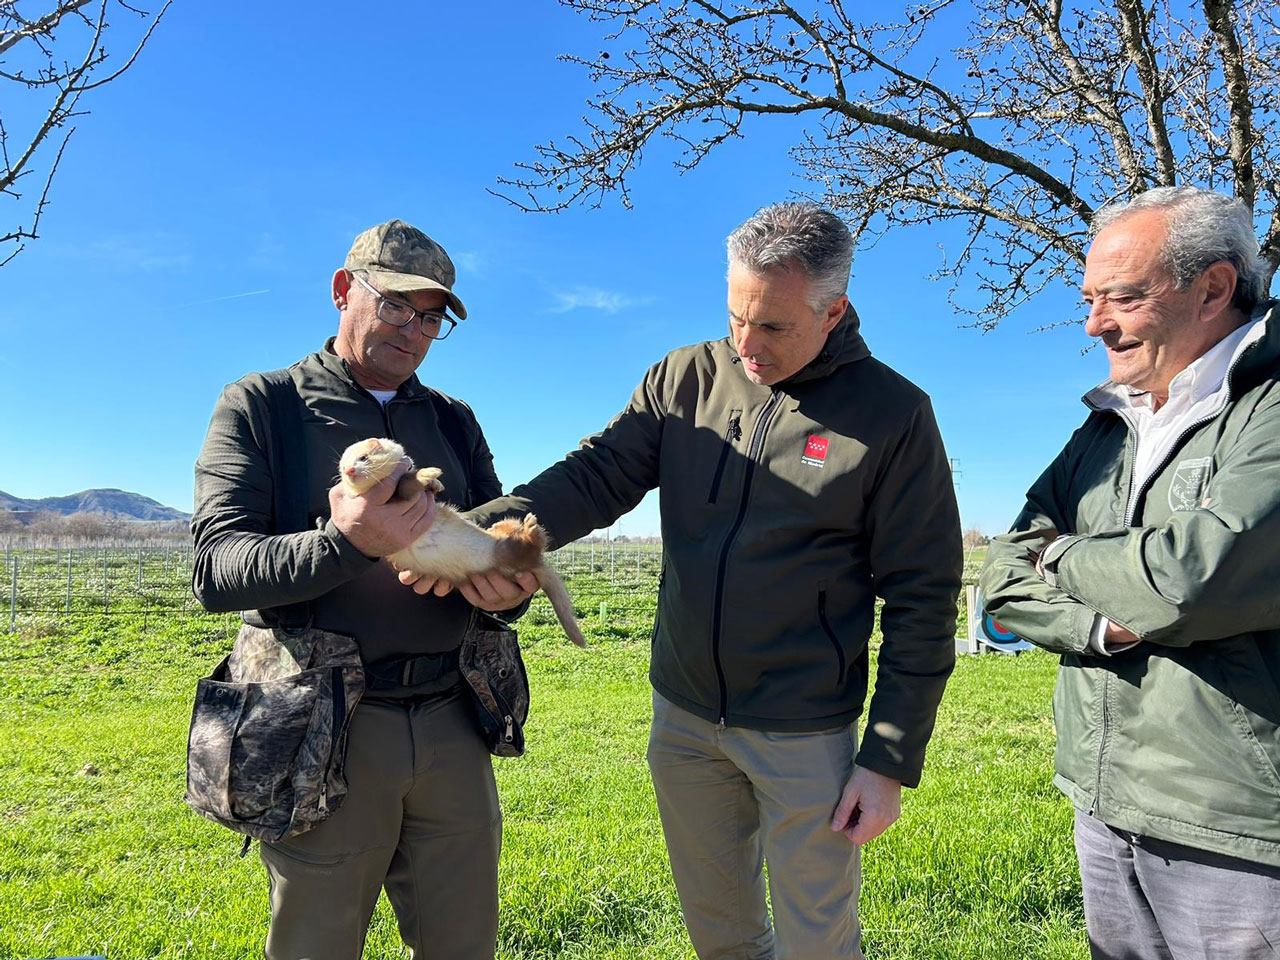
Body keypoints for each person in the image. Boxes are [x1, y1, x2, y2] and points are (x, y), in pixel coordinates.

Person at [414, 202, 962, 959]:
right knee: (720, 937)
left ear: (833, 311)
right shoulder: (685, 378)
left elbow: (924, 595)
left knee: (818, 943)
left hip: (805, 730)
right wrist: (469, 537)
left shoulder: (895, 415)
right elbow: (595, 476)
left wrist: (890, 757)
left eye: (772, 326)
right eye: (735, 317)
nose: (747, 345)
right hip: (684, 721)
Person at [191, 219, 536, 960]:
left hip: (452, 716)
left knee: (463, 943)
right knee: (318, 944)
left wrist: (510, 591)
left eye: (432, 316)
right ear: (345, 291)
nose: (414, 330)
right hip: (325, 724)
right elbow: (215, 569)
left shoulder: (453, 420)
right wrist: (344, 544)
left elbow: (500, 541)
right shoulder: (264, 405)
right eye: (396, 306)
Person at [979, 186, 1280, 959]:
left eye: (1120, 295)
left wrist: (1064, 554)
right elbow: (1002, 577)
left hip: (1236, 819)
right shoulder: (1108, 423)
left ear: (1213, 287)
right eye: (1090, 297)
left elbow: (1190, 582)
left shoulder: (1269, 406)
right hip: (1103, 796)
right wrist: (1096, 625)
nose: (1094, 322)